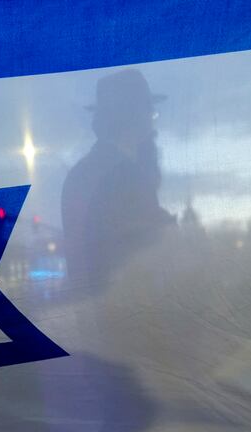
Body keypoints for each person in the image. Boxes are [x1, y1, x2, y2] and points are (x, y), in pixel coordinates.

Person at [61, 69, 174, 291]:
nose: (153, 126)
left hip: (97, 311)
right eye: (151, 115)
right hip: (129, 311)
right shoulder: (127, 176)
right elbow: (143, 255)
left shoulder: (81, 173)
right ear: (135, 117)